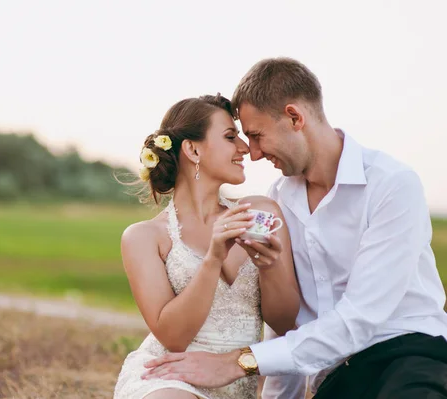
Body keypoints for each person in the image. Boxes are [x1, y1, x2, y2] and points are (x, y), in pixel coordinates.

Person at [142, 57, 447, 398]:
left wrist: (239, 362)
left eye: (256, 136)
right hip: (336, 375)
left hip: (406, 355)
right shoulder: (279, 200)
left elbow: (361, 317)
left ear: (295, 117)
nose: (253, 154)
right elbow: (284, 326)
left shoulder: (391, 184)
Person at [113, 94, 301, 398]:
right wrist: (213, 259)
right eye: (230, 137)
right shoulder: (144, 237)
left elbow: (285, 322)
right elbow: (174, 338)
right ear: (193, 149)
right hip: (169, 376)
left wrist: (269, 267)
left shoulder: (259, 213)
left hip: (236, 381)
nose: (245, 148)